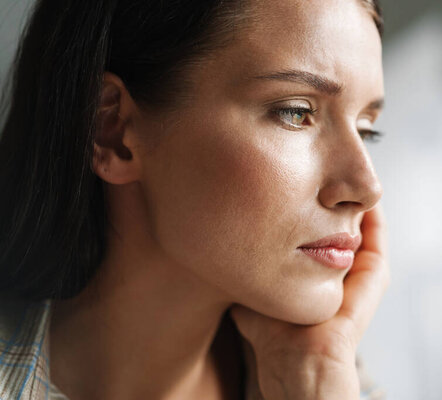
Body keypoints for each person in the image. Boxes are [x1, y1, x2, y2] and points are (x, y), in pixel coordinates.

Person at [0, 0, 390, 399]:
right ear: (111, 131)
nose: (367, 188)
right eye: (294, 112)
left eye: (366, 129)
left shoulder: (327, 375)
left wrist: (319, 378)